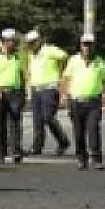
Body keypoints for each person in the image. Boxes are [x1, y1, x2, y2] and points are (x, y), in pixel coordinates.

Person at [60, 31, 105, 171]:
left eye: (90, 45)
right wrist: (64, 95)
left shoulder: (100, 62)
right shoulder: (73, 60)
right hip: (76, 101)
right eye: (85, 45)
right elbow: (65, 78)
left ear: (94, 46)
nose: (87, 48)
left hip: (93, 102)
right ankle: (81, 158)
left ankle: (96, 158)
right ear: (80, 45)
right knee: (78, 132)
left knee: (93, 128)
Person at [24, 28, 72, 157]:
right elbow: (30, 71)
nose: (31, 45)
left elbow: (64, 56)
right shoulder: (31, 54)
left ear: (39, 41)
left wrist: (60, 71)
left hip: (49, 88)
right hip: (36, 88)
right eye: (29, 43)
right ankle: (37, 146)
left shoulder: (49, 50)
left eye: (33, 42)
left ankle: (63, 141)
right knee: (37, 120)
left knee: (48, 117)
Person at [0, 27, 27, 164]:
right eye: (11, 41)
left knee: (15, 122)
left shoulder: (17, 57)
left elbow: (21, 75)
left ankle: (15, 151)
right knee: (1, 124)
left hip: (15, 92)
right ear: (4, 42)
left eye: (15, 42)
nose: (13, 44)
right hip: (0, 92)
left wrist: (23, 92)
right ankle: (1, 152)